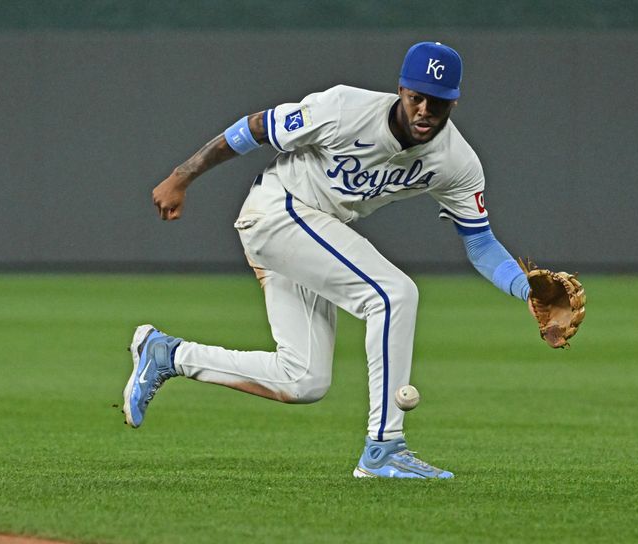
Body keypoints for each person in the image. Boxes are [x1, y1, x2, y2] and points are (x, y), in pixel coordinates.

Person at [122, 41, 531, 479]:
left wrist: (526, 289)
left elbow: (480, 242)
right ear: (401, 91)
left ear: (454, 101)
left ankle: (167, 354)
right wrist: (182, 177)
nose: (425, 110)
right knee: (394, 296)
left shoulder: (456, 161)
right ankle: (384, 448)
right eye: (417, 97)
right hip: (278, 211)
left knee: (303, 380)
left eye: (438, 101)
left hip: (310, 235)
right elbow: (255, 128)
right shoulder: (343, 108)